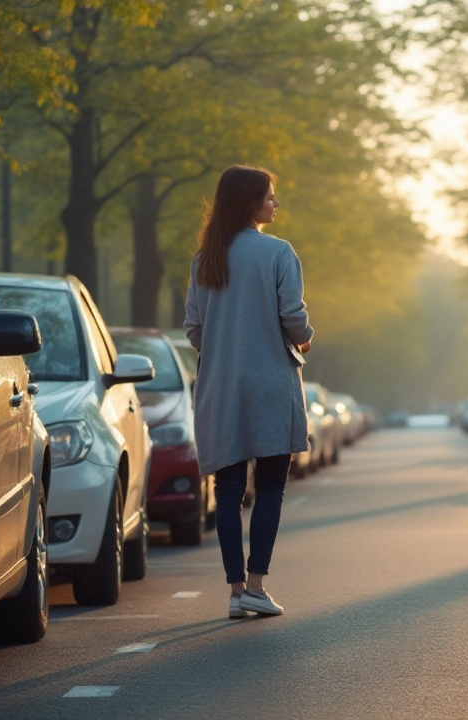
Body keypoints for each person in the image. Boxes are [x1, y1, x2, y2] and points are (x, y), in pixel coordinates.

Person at [185, 165, 313, 618]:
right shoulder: (278, 253)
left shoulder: (206, 258)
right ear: (250, 203)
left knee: (229, 490)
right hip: (271, 385)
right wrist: (304, 337)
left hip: (222, 388)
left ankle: (237, 590)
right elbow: (292, 316)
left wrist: (226, 346)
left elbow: (194, 329)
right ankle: (257, 584)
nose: (276, 204)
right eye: (270, 197)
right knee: (271, 487)